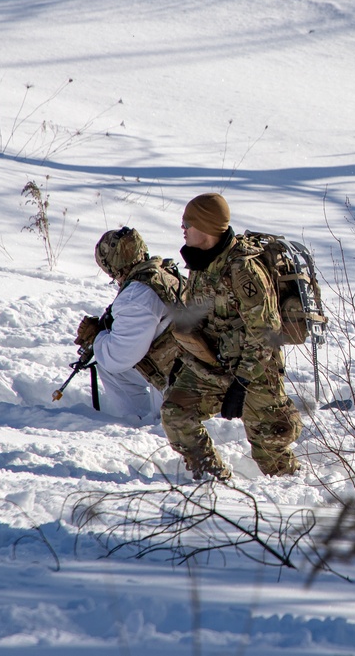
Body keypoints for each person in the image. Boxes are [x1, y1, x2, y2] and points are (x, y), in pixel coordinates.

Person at [161, 192, 302, 480]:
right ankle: (212, 480)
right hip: (213, 363)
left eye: (188, 222)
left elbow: (266, 333)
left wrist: (242, 383)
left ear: (208, 228)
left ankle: (296, 497)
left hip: (255, 369)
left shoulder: (243, 271)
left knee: (271, 449)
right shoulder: (201, 262)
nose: (183, 228)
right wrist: (184, 358)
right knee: (176, 413)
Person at [75, 227, 185, 420]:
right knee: (111, 369)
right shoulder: (163, 274)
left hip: (182, 379)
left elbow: (119, 357)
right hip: (186, 365)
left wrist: (98, 338)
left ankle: (146, 427)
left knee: (109, 363)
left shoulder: (136, 296)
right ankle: (140, 420)